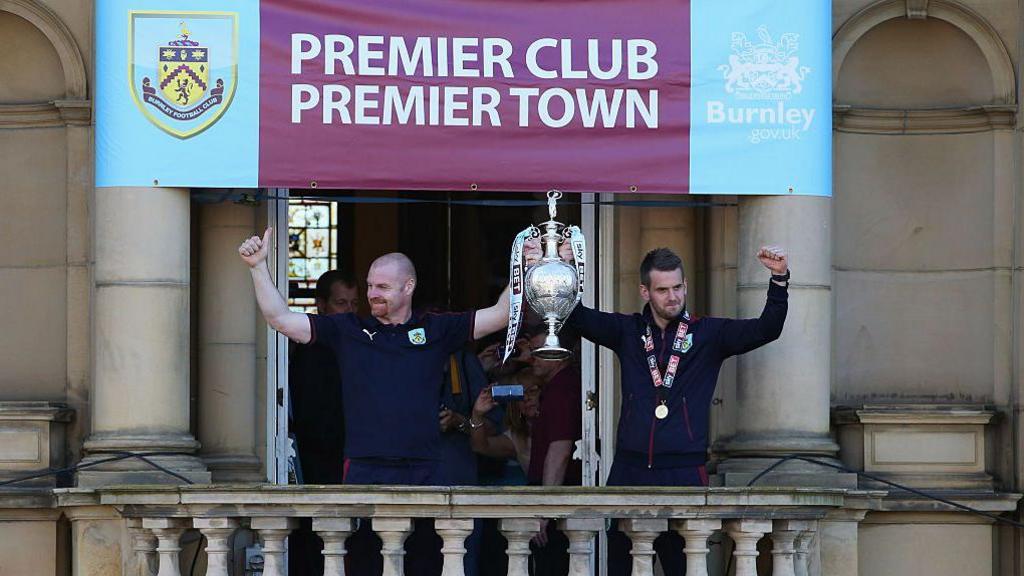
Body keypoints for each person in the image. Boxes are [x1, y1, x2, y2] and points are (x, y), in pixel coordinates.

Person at [239, 228, 530, 576]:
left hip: (426, 470)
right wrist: (258, 267)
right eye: (370, 286)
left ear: (408, 287)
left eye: (383, 287)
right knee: (364, 564)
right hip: (365, 469)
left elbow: (500, 315)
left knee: (426, 564)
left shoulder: (436, 329)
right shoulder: (348, 330)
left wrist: (524, 269)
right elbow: (280, 319)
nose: (372, 294)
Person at [559, 244, 790, 576]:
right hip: (629, 472)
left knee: (684, 567)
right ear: (645, 291)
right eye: (663, 289)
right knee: (621, 568)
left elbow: (767, 328)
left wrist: (779, 278)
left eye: (678, 287)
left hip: (684, 473)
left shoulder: (709, 334)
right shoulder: (628, 332)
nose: (672, 297)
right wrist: (563, 268)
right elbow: (575, 315)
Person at [288, 269, 358, 576]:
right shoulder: (303, 346)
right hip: (313, 455)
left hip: (351, 453)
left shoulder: (360, 341)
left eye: (355, 304)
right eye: (342, 303)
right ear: (322, 305)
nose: (350, 311)